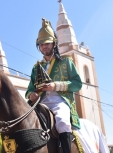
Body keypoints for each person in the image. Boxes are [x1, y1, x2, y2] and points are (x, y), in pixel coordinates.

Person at [25, 18, 82, 153]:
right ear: (38, 46)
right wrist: (31, 94)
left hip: (60, 102)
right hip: (41, 103)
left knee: (62, 122)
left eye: (47, 43)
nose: (44, 46)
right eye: (41, 43)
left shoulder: (66, 62)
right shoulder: (35, 68)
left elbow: (77, 84)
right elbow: (29, 89)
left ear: (54, 43)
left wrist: (55, 86)